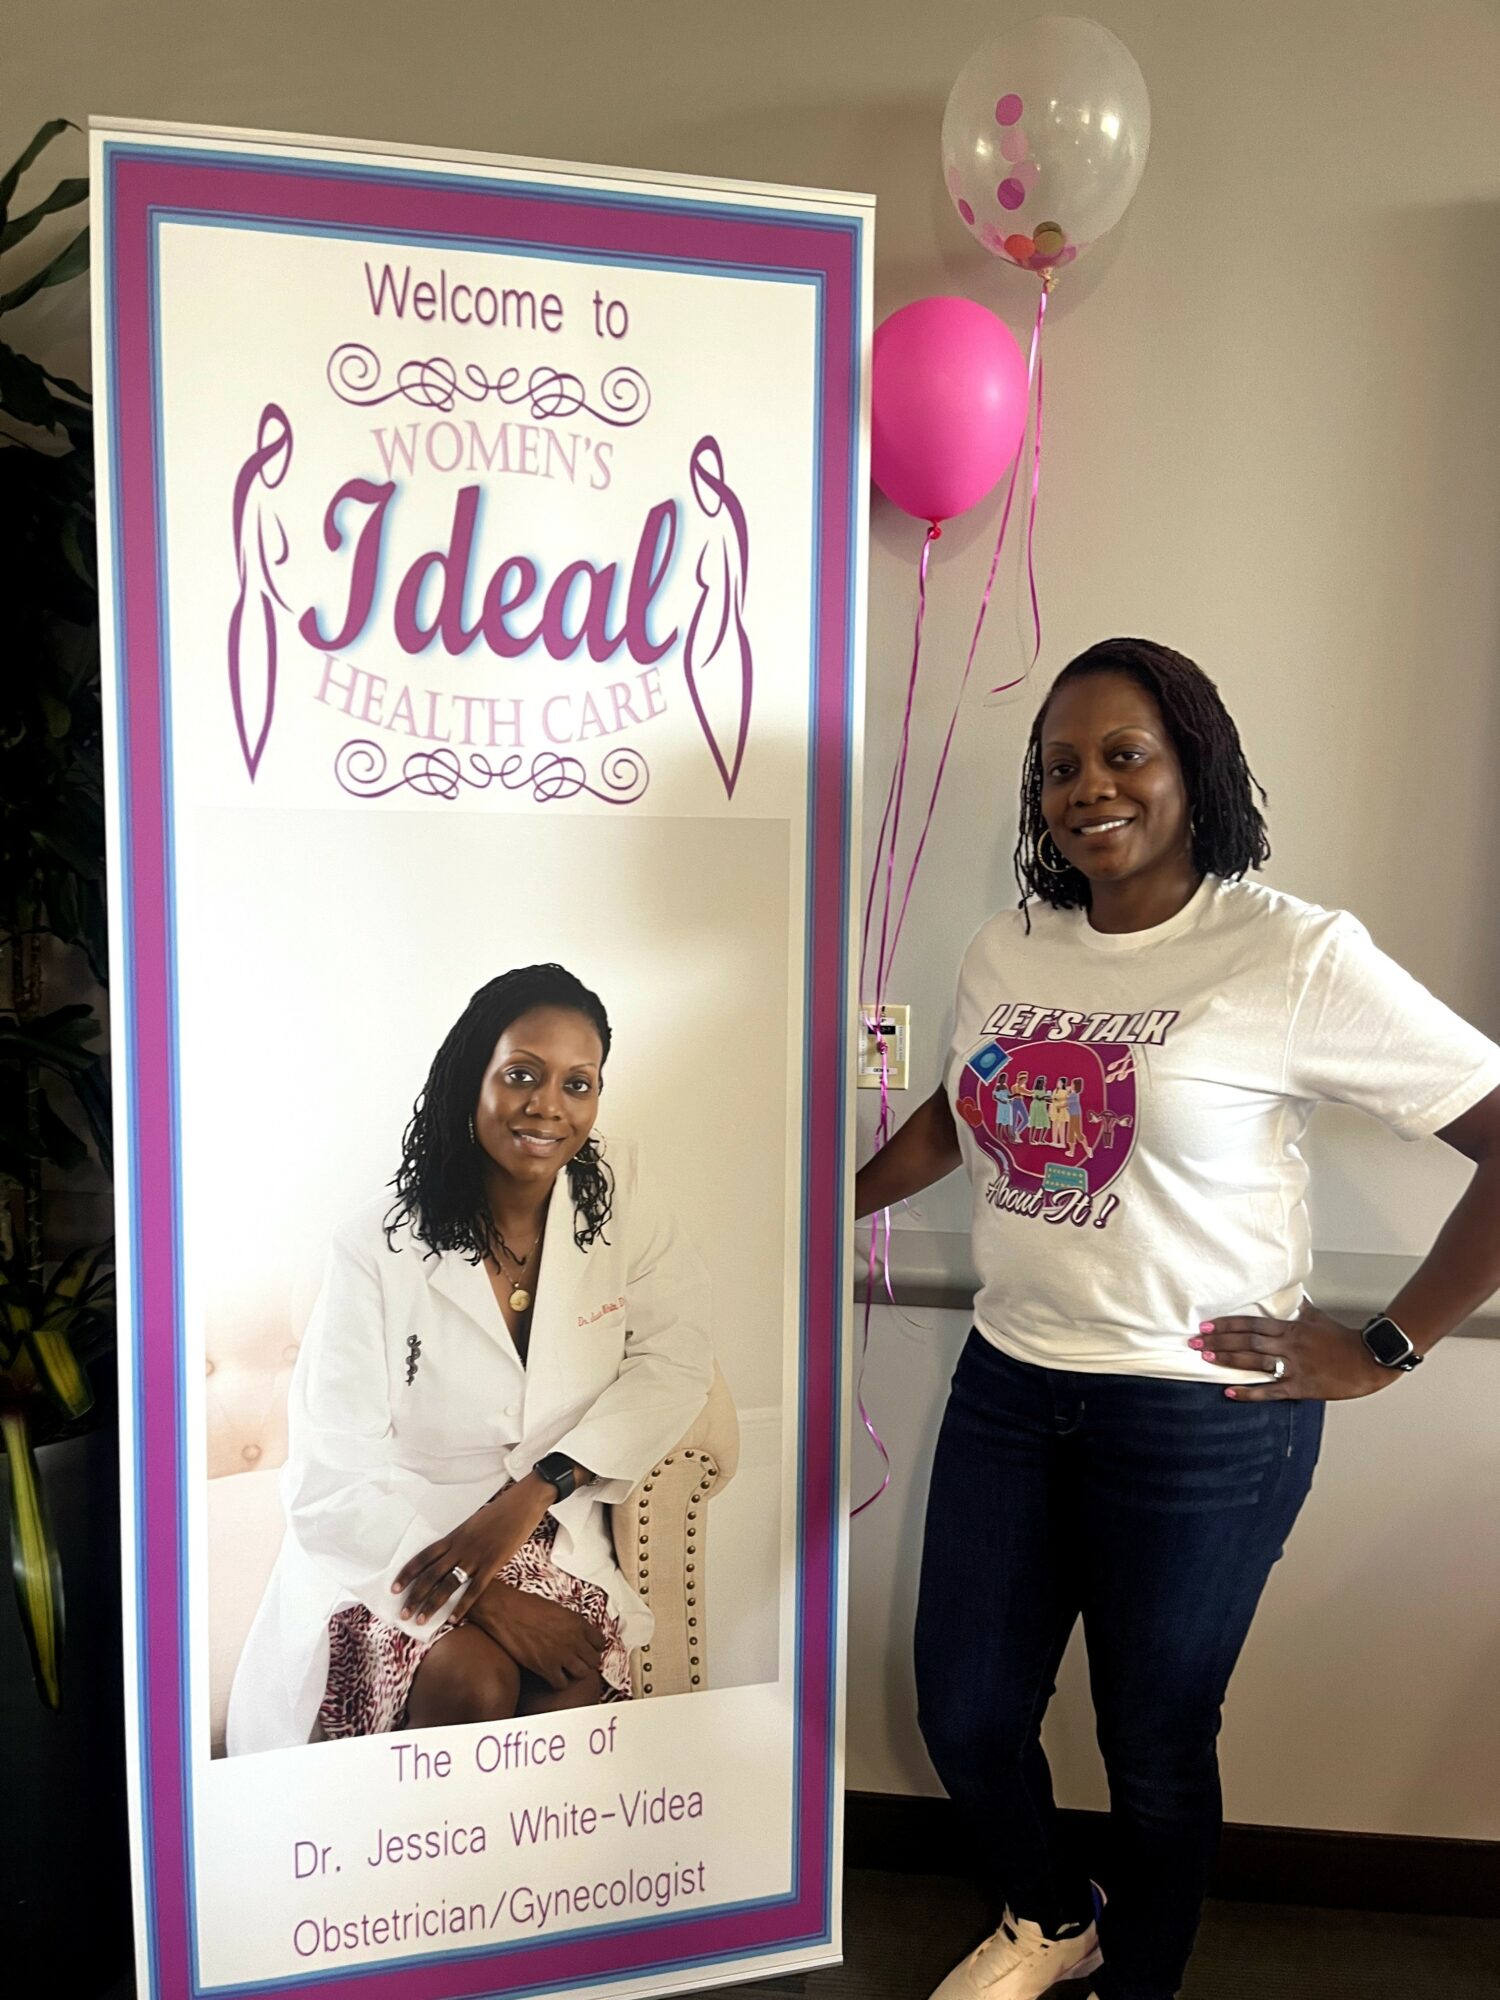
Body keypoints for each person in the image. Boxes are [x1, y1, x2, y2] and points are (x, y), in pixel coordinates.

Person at [854, 639, 1500, 2000]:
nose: (1087, 787)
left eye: (1122, 754)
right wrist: (829, 1206)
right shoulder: (1008, 947)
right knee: (966, 1711)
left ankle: (1139, 1977)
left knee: (1152, 1741)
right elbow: (966, 1113)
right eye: (1059, 767)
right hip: (1011, 1385)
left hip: (1204, 1415)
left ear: (1194, 768)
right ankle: (1052, 1916)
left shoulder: (1291, 953)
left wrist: (1385, 1346)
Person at [227, 963, 713, 1755]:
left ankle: (541, 1846)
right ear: (470, 1080)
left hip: (547, 1526)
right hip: (399, 1541)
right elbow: (331, 1482)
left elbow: (676, 1359)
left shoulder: (621, 1199)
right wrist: (482, 1597)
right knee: (473, 1682)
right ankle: (413, 1842)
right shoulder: (375, 1247)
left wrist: (538, 1489)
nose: (548, 1105)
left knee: (571, 1679)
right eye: (521, 1074)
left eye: (578, 1084)